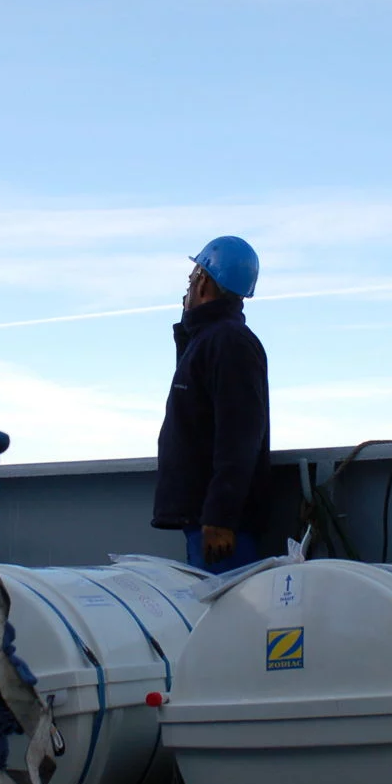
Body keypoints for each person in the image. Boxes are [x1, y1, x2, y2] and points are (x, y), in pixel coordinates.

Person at [151, 235, 271, 572]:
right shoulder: (209, 341)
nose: (187, 288)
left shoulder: (228, 342)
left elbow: (241, 435)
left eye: (191, 279)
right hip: (206, 520)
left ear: (203, 281)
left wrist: (220, 516)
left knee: (227, 620)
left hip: (219, 528)